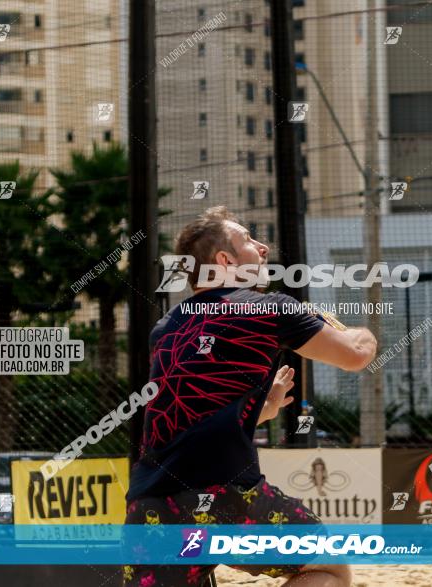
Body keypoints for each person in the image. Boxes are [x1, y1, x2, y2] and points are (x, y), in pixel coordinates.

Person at [123, 206, 378, 587]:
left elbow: (187, 418)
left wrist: (261, 407)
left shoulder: (166, 327)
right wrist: (363, 332)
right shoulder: (270, 308)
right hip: (224, 492)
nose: (263, 247)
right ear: (224, 261)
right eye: (248, 240)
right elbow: (354, 356)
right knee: (328, 566)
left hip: (149, 503)